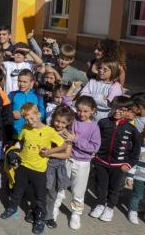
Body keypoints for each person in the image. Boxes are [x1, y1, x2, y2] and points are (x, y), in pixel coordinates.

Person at [0, 103, 67, 235]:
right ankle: (12, 208)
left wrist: (50, 151)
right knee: (17, 190)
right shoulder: (25, 128)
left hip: (39, 170)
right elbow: (21, 142)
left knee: (40, 196)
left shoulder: (49, 131)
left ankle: (40, 219)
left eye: (32, 118)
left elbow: (63, 145)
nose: (29, 122)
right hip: (23, 166)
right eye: (26, 119)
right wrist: (14, 152)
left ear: (39, 114)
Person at [89, 96, 141, 222]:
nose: (118, 112)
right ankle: (101, 204)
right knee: (101, 186)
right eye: (115, 108)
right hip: (101, 162)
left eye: (122, 109)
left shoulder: (132, 129)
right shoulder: (103, 122)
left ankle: (110, 207)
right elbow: (95, 139)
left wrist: (128, 164)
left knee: (115, 188)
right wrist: (94, 156)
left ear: (128, 111)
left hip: (119, 166)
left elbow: (136, 150)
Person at [60, 96, 101, 229]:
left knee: (78, 191)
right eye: (78, 110)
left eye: (85, 111)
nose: (81, 114)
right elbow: (65, 103)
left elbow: (94, 147)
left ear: (92, 111)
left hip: (82, 163)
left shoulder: (94, 127)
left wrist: (75, 139)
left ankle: (76, 214)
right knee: (60, 185)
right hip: (66, 158)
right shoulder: (73, 119)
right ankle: (54, 207)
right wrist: (72, 90)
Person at [44, 105, 74, 229]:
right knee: (40, 191)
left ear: (68, 122)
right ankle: (36, 210)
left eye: (63, 122)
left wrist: (50, 153)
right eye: (57, 121)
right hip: (43, 165)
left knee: (52, 194)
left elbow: (67, 154)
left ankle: (49, 216)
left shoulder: (68, 135)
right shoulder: (46, 129)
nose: (59, 124)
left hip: (57, 168)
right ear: (53, 118)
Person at [81, 57, 123, 122]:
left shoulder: (115, 87)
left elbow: (108, 104)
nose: (101, 70)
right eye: (100, 68)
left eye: (105, 69)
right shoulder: (92, 82)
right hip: (88, 116)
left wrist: (90, 96)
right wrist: (100, 97)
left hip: (105, 118)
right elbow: (82, 96)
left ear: (113, 71)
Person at [9, 69, 46, 139]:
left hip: (33, 133)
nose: (21, 84)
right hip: (16, 133)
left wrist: (37, 116)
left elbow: (43, 113)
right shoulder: (12, 94)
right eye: (19, 81)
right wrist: (11, 114)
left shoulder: (38, 95)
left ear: (31, 83)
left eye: (25, 82)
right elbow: (5, 111)